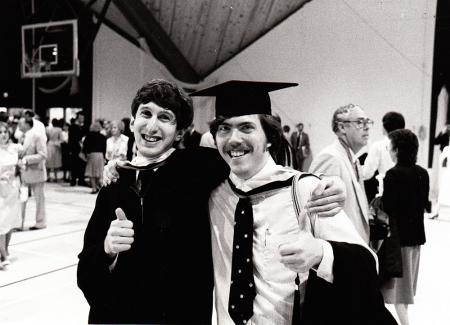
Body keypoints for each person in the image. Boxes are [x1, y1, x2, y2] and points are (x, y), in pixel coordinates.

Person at [79, 79, 348, 325]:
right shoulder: (114, 186)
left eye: (165, 118)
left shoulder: (199, 170)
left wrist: (329, 183)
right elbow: (86, 272)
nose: (151, 126)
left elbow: (251, 164)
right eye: (145, 114)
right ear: (132, 122)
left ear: (181, 131)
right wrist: (107, 249)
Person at [191, 80, 396, 325]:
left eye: (246, 127)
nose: (234, 138)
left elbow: (368, 263)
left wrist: (321, 253)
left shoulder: (306, 191)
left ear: (269, 137)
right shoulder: (211, 191)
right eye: (224, 128)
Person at [381, 129, 429, 325]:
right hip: (416, 239)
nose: (389, 151)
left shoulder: (392, 174)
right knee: (405, 292)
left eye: (390, 147)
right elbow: (422, 203)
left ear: (397, 149)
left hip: (399, 240)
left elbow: (389, 207)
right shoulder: (423, 173)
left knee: (398, 294)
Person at [310, 104, 373, 243]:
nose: (367, 127)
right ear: (342, 127)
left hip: (356, 248)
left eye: (367, 122)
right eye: (359, 122)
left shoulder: (353, 159)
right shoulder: (330, 158)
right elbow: (321, 219)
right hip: (341, 252)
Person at [362, 112, 405, 198]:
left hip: (387, 193)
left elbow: (367, 173)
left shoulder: (378, 146)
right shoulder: (409, 144)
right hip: (406, 192)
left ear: (385, 127)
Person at [17, 116, 47, 230]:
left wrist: (26, 159)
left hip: (36, 172)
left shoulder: (37, 136)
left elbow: (43, 155)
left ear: (28, 124)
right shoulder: (21, 137)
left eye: (21, 122)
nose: (18, 124)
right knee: (22, 199)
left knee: (39, 200)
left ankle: (41, 222)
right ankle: (19, 223)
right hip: (23, 173)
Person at [0, 122, 21, 268]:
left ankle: (5, 251)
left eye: (5, 132)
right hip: (0, 189)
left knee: (10, 223)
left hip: (13, 189)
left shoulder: (15, 148)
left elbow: (20, 165)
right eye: (0, 132)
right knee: (1, 223)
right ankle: (3, 255)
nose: (3, 135)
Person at [82, 122, 107, 194]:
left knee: (92, 172)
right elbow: (105, 147)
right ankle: (100, 187)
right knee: (99, 172)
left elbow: (85, 147)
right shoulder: (103, 136)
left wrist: (86, 155)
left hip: (92, 155)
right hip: (100, 155)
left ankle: (94, 188)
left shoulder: (89, 136)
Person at [68, 111, 87, 186]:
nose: (82, 119)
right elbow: (71, 139)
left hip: (81, 148)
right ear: (78, 118)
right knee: (74, 165)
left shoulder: (82, 126)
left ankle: (80, 180)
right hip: (75, 148)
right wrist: (70, 149)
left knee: (81, 165)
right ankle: (73, 180)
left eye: (83, 118)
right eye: (81, 118)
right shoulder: (73, 126)